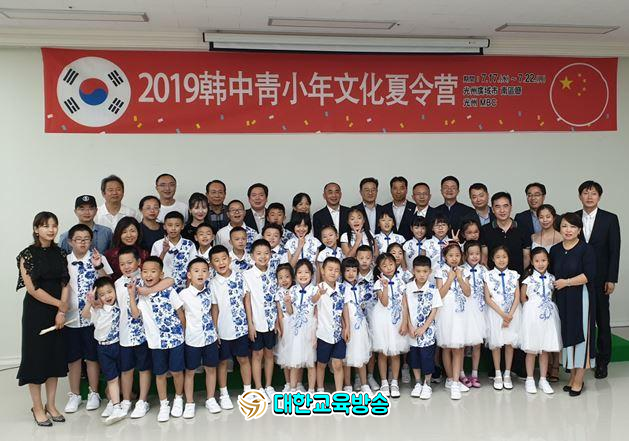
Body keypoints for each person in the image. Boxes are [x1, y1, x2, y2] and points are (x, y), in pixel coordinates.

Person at [16, 212, 70, 426]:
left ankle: (51, 405)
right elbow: (32, 289)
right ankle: (37, 407)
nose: (51, 229)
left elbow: (65, 282)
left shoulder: (61, 252)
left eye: (54, 225)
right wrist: (59, 304)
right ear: (36, 229)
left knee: (54, 357)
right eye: (45, 226)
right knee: (36, 358)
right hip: (36, 312)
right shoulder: (27, 255)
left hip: (58, 312)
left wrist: (61, 311)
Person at [115, 246, 171, 419]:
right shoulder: (117, 283)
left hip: (144, 334)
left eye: (130, 262)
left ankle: (142, 401)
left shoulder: (145, 279)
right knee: (126, 369)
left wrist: (147, 290)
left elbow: (170, 280)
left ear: (138, 263)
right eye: (122, 264)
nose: (126, 266)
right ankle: (126, 401)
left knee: (144, 368)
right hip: (124, 334)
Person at [63, 224, 113, 414]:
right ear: (70, 241)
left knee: (92, 356)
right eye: (78, 239)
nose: (82, 243)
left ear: (91, 241)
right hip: (70, 318)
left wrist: (98, 265)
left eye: (86, 239)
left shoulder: (98, 258)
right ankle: (75, 394)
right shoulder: (64, 261)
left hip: (93, 318)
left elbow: (107, 282)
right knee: (73, 358)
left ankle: (94, 393)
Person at [128, 256, 186, 422]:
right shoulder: (140, 292)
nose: (149, 275)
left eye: (153, 271)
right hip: (155, 342)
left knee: (176, 372)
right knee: (160, 374)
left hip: (175, 339)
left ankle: (178, 398)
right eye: (145, 272)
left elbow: (180, 312)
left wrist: (183, 332)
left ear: (161, 274)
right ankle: (164, 403)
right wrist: (132, 296)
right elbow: (135, 314)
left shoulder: (168, 290)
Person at [576, 181, 621, 379]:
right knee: (581, 320)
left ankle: (602, 362)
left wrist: (611, 278)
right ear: (580, 196)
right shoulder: (572, 217)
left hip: (601, 278)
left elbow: (614, 250)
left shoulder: (610, 219)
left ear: (599, 197)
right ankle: (583, 360)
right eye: (585, 193)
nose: (589, 197)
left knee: (602, 320)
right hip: (577, 278)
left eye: (593, 193)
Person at [550, 212, 597, 396]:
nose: (568, 230)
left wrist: (566, 282)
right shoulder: (555, 250)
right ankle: (572, 376)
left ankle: (579, 379)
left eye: (573, 226)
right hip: (562, 299)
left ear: (579, 230)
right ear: (559, 228)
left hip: (581, 298)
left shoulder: (586, 249)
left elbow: (589, 275)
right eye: (564, 226)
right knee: (568, 335)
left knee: (581, 336)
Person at [208, 245, 253, 410]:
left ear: (229, 259)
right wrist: (215, 330)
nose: (221, 263)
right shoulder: (213, 283)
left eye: (223, 259)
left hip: (241, 328)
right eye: (216, 260)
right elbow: (214, 308)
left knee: (243, 359)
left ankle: (248, 391)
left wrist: (250, 324)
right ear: (211, 264)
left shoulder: (240, 277)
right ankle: (224, 394)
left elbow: (246, 302)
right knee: (223, 362)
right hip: (223, 329)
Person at [81, 277, 127, 425]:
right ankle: (116, 405)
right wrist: (90, 303)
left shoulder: (119, 306)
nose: (107, 296)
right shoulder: (97, 310)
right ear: (97, 297)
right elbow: (85, 315)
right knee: (111, 378)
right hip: (103, 348)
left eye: (109, 292)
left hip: (119, 345)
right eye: (102, 294)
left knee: (120, 374)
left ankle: (115, 402)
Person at [179, 258, 221, 417]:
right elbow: (180, 316)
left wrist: (216, 331)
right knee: (190, 371)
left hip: (210, 337)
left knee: (211, 369)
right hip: (192, 339)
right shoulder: (183, 294)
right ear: (189, 275)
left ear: (208, 274)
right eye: (196, 271)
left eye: (204, 271)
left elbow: (214, 310)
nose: (200, 274)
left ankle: (210, 399)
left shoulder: (210, 291)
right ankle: (189, 403)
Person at [243, 239, 282, 402]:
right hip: (257, 322)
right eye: (258, 253)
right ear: (252, 256)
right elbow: (247, 301)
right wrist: (250, 324)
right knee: (257, 354)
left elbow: (277, 299)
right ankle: (258, 387)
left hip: (271, 322)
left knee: (269, 354)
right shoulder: (247, 275)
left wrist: (278, 321)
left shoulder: (274, 273)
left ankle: (268, 386)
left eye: (266, 253)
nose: (263, 256)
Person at [520, 247, 562, 395]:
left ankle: (543, 379)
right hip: (532, 316)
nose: (541, 263)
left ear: (548, 261)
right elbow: (523, 298)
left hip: (548, 316)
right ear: (532, 262)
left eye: (544, 260)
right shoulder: (528, 279)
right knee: (532, 349)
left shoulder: (552, 278)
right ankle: (530, 379)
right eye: (537, 261)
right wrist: (531, 311)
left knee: (545, 349)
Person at [434, 243, 472, 400]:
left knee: (459, 347)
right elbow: (440, 294)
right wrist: (450, 279)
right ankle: (450, 379)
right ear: (445, 257)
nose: (454, 258)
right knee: (446, 346)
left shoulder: (465, 270)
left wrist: (460, 278)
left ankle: (456, 382)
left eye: (457, 255)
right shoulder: (440, 271)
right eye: (450, 255)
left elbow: (468, 292)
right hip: (446, 312)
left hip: (461, 312)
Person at [371, 253, 409, 398]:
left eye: (391, 264)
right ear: (379, 268)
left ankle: (394, 382)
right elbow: (384, 302)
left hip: (398, 320)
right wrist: (385, 287)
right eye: (384, 266)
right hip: (383, 320)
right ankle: (384, 382)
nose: (388, 268)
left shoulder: (401, 282)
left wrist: (405, 322)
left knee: (395, 352)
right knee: (383, 353)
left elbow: (404, 304)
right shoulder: (378, 283)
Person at [484, 246, 521, 391]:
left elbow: (517, 297)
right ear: (493, 259)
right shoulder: (488, 275)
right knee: (496, 344)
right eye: (498, 257)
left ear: (508, 258)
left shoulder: (514, 274)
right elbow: (488, 298)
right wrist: (502, 315)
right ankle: (498, 373)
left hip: (513, 313)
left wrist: (510, 315)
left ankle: (507, 374)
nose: (501, 260)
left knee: (509, 343)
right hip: (495, 313)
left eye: (504, 257)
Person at [406, 256, 442, 399]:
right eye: (418, 271)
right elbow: (405, 308)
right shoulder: (407, 288)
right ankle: (418, 383)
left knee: (427, 357)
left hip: (427, 331)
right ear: (413, 271)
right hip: (412, 330)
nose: (421, 274)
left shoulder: (433, 289)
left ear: (430, 272)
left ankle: (427, 384)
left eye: (425, 271)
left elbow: (434, 310)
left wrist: (424, 328)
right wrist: (409, 326)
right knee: (414, 358)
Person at [312, 257, 350, 392]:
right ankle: (320, 389)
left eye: (336, 270)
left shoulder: (343, 288)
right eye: (330, 269)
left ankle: (339, 392)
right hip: (323, 333)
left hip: (339, 333)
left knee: (338, 364)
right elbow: (312, 301)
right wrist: (319, 294)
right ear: (322, 271)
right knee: (321, 364)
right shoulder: (318, 288)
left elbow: (345, 308)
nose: (333, 273)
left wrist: (347, 327)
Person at [283, 260, 318, 392]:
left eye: (306, 272)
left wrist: (315, 334)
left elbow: (316, 311)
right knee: (295, 362)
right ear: (295, 275)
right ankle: (293, 389)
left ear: (312, 274)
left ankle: (311, 391)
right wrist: (287, 303)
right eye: (299, 272)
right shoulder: (292, 290)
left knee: (310, 362)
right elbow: (290, 312)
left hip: (310, 329)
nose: (303, 275)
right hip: (295, 330)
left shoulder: (315, 290)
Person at [341, 257, 373, 395]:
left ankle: (364, 384)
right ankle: (348, 385)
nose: (351, 273)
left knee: (361, 354)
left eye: (354, 270)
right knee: (347, 356)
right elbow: (342, 309)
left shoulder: (361, 286)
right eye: (347, 270)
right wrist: (345, 327)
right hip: (348, 327)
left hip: (361, 326)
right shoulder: (341, 288)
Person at [480, 192, 531, 275]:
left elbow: (526, 257)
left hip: (517, 278)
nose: (502, 210)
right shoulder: (485, 230)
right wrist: (488, 278)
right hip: (493, 279)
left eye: (505, 206)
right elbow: (484, 258)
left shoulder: (523, 229)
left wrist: (524, 277)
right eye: (497, 207)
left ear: (511, 207)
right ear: (492, 209)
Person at [461, 240, 488, 388]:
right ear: (465, 255)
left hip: (480, 310)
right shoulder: (460, 270)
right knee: (463, 343)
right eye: (471, 254)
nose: (474, 256)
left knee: (477, 343)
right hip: (465, 310)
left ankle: (475, 374)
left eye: (477, 253)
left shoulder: (484, 270)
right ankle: (461, 373)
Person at [151, 211, 197, 292]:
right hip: (162, 289)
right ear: (164, 226)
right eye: (169, 225)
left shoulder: (189, 244)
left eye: (177, 225)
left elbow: (194, 267)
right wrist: (163, 252)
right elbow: (152, 267)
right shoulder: (157, 244)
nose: (173, 228)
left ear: (182, 226)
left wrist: (188, 289)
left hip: (185, 289)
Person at [105, 217, 149, 281]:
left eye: (132, 231)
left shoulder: (144, 253)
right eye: (124, 232)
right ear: (119, 234)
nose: (129, 235)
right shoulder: (110, 255)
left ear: (138, 232)